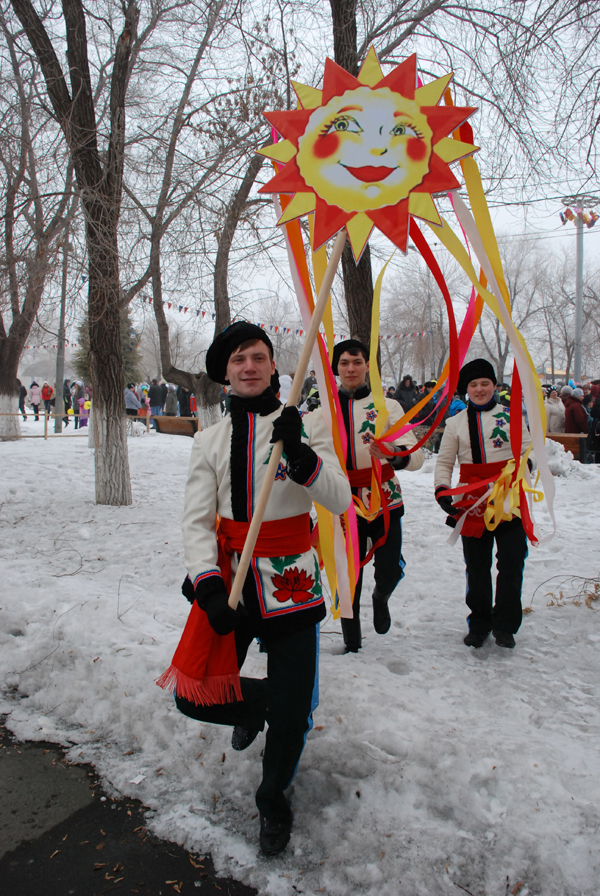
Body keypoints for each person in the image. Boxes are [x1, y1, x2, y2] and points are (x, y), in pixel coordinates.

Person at [172, 322, 351, 857]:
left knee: (293, 716)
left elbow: (340, 500)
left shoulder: (309, 424)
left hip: (292, 581)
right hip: (229, 582)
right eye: (238, 360)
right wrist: (205, 584)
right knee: (192, 692)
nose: (249, 366)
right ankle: (260, 709)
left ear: (274, 366)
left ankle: (273, 800)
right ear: (224, 374)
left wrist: (300, 454)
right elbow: (197, 521)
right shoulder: (208, 440)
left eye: (258, 356)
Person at [326, 340, 424, 653]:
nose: (351, 368)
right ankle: (351, 640)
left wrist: (394, 454)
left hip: (384, 497)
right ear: (335, 368)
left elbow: (416, 456)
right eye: (344, 363)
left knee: (389, 569)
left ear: (368, 365)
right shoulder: (325, 407)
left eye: (357, 361)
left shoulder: (388, 406)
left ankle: (381, 597)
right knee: (348, 573)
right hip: (342, 498)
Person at [434, 358, 533, 650]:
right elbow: (444, 462)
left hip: (508, 501)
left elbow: (528, 454)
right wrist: (442, 490)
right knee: (477, 566)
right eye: (473, 385)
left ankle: (505, 625)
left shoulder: (512, 416)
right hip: (472, 502)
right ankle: (478, 624)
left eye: (485, 384)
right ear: (467, 390)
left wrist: (517, 477)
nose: (479, 389)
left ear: (495, 386)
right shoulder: (455, 423)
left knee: (512, 562)